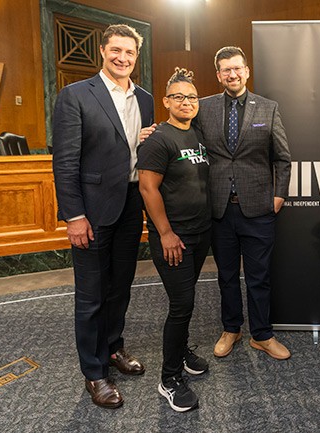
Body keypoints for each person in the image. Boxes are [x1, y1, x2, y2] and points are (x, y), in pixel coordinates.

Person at [52, 24, 154, 409]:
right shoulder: (76, 95)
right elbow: (64, 163)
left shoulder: (144, 99)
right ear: (102, 51)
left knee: (121, 287)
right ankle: (94, 373)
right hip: (91, 211)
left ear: (135, 56)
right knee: (92, 295)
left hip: (131, 204)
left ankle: (113, 349)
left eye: (129, 52)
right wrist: (74, 215)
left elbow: (137, 148)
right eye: (115, 50)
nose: (122, 58)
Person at [198, 46, 292, 360]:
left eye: (237, 68)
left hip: (258, 208)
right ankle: (232, 329)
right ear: (218, 75)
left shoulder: (268, 108)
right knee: (225, 275)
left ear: (247, 71)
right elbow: (183, 139)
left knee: (259, 276)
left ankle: (263, 335)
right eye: (226, 70)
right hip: (220, 209)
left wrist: (279, 195)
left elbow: (282, 157)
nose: (232, 74)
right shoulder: (203, 108)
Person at [137, 68, 210, 413]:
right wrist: (164, 232)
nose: (186, 102)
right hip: (173, 239)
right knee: (182, 305)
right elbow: (147, 188)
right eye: (178, 97)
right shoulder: (157, 139)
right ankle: (169, 379)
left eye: (192, 97)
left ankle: (181, 353)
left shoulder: (196, 133)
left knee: (188, 299)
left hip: (200, 235)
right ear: (166, 102)